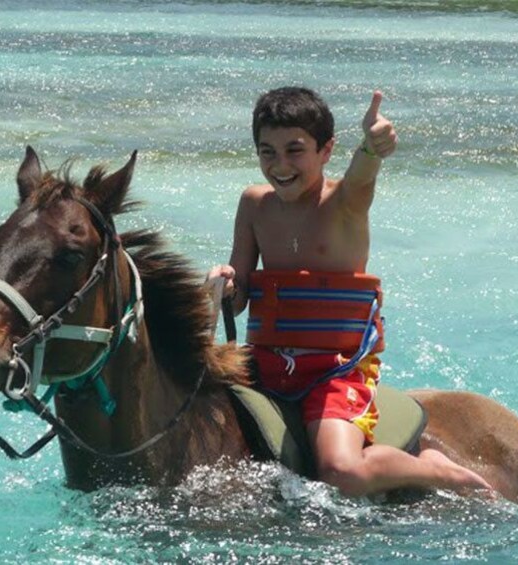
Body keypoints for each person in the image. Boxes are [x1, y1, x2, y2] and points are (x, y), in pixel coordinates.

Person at [207, 86, 493, 497]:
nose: (280, 165)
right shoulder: (253, 204)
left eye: (295, 150)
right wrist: (224, 285)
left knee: (341, 471)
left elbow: (363, 171)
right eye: (267, 152)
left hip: (335, 369)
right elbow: (240, 297)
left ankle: (431, 468)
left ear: (326, 151)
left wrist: (374, 146)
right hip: (265, 364)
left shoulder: (345, 202)